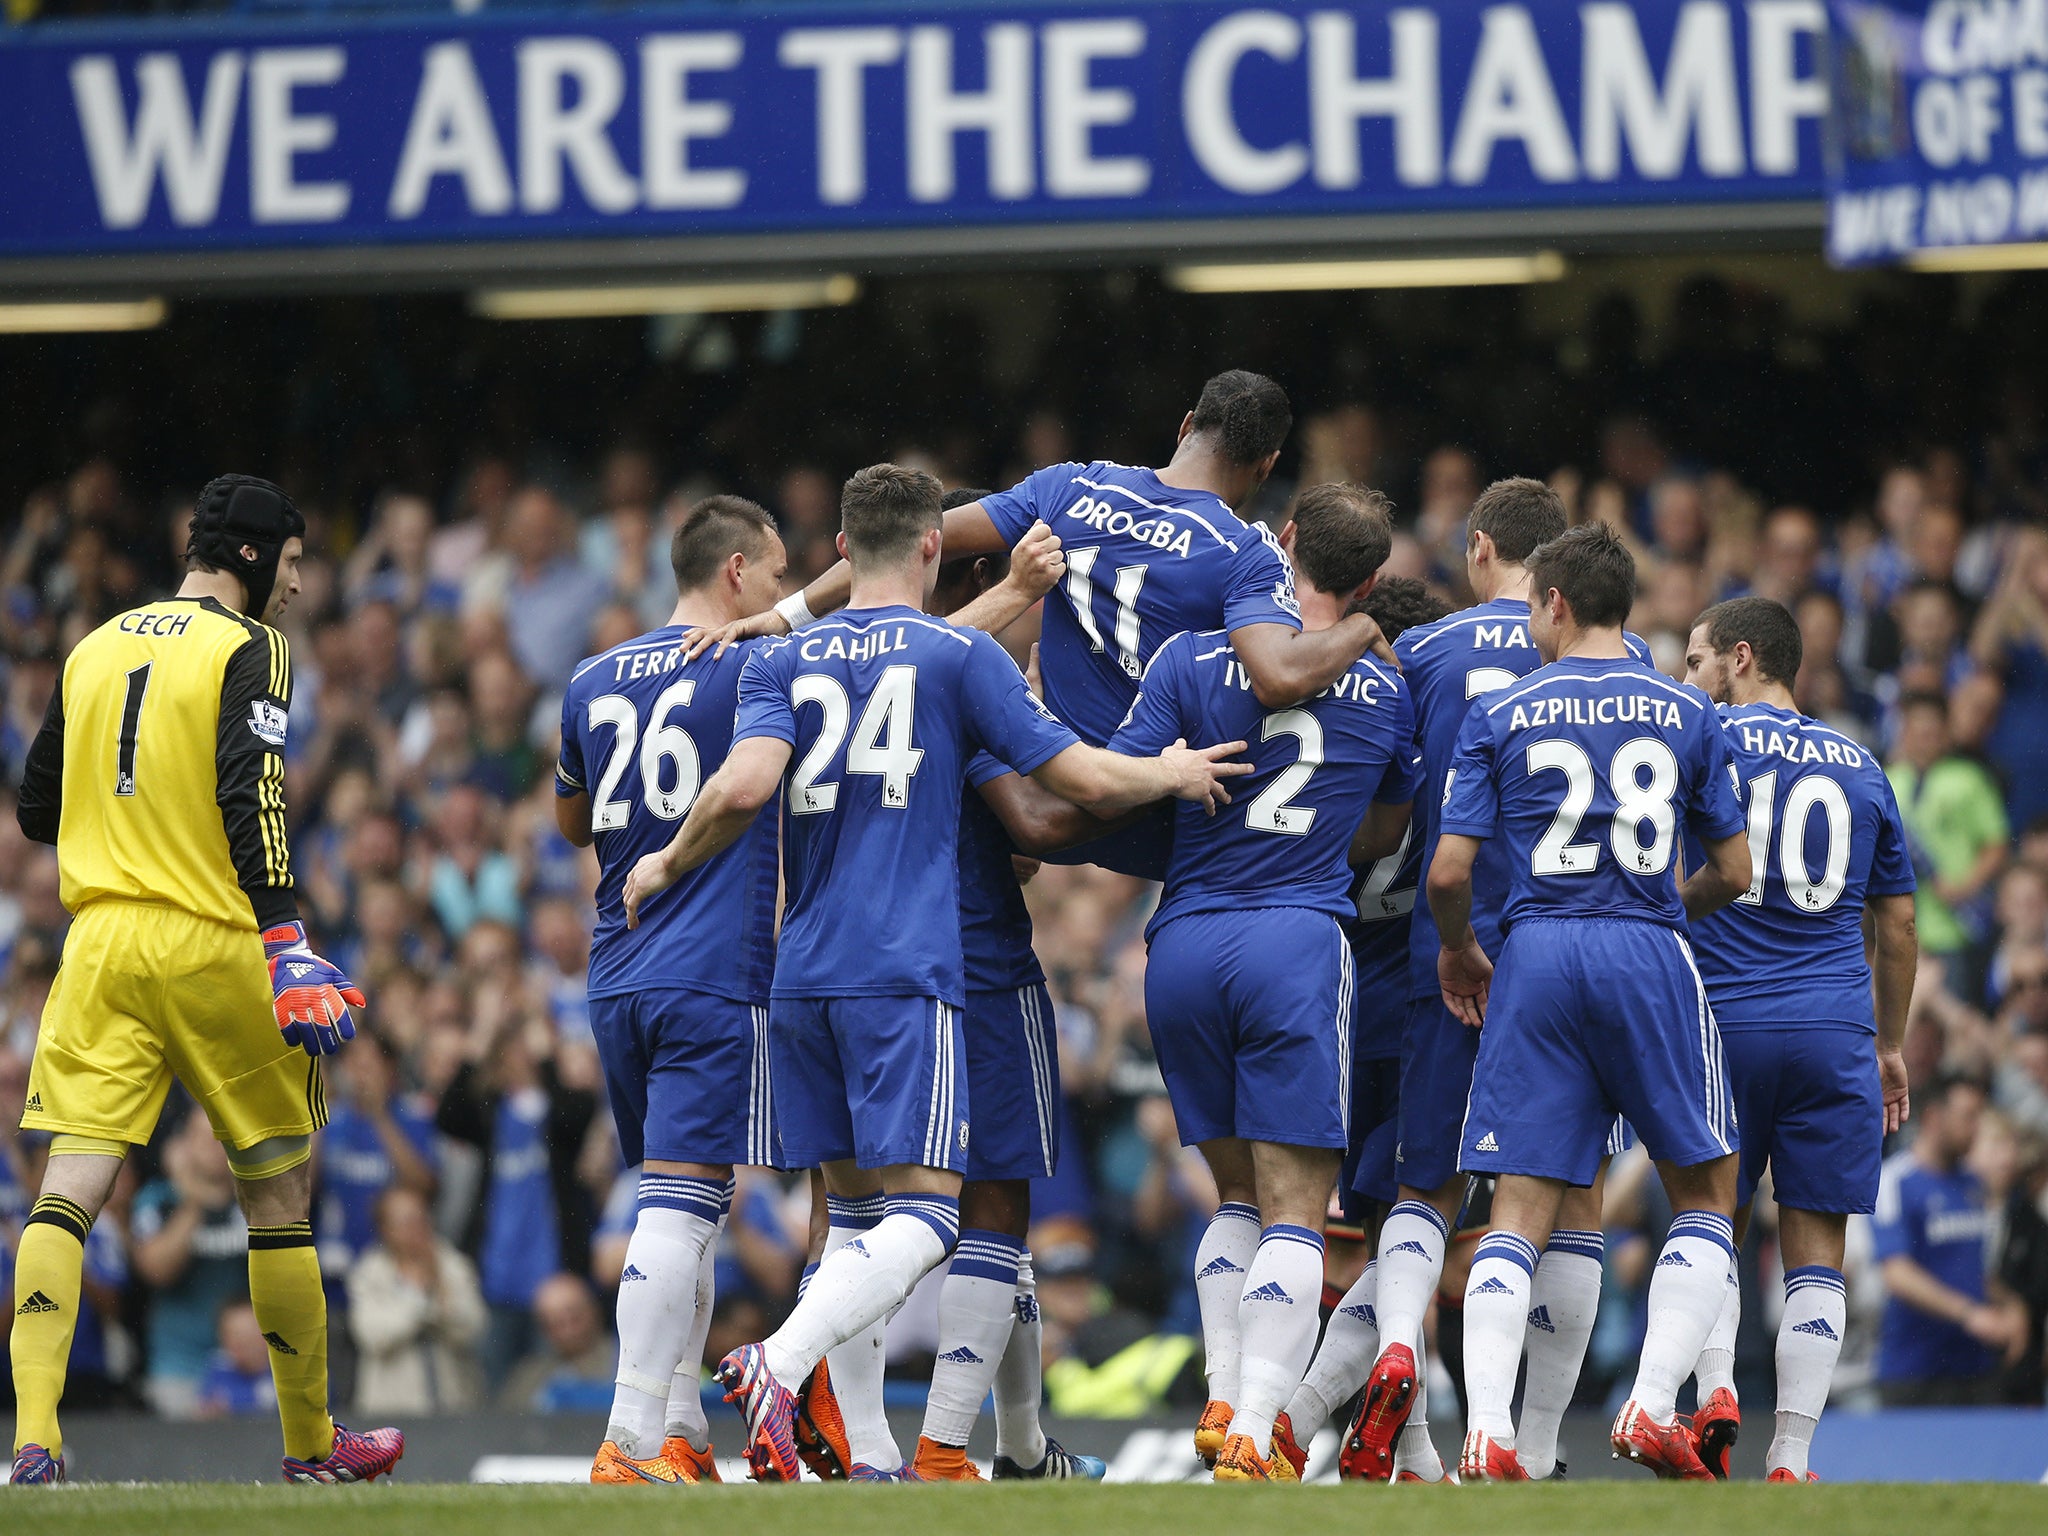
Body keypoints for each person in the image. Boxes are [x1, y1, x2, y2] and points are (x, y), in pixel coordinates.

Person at [621, 462, 1248, 1481]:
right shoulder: (960, 659)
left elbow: (740, 788)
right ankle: (786, 1368)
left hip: (801, 970)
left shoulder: (783, 660)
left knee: (855, 1219)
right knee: (937, 1214)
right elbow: (1064, 796)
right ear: (933, 546)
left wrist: (664, 857)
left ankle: (876, 1456)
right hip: (918, 970)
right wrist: (1169, 769)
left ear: (837, 550)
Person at [10, 475, 400, 1485]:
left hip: (98, 945)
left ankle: (35, 1437)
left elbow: (36, 807)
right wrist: (285, 938)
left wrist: (126, 817)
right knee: (277, 1198)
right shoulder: (251, 646)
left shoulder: (92, 644)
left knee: (68, 1190)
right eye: (299, 564)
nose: (302, 588)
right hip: (216, 937)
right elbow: (253, 793)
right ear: (258, 558)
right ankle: (313, 1447)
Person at [688, 371, 1390, 878]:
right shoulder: (1244, 551)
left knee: (972, 769)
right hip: (1152, 814)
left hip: (1041, 783)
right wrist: (1364, 628)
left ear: (1184, 427)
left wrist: (783, 616)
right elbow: (1276, 676)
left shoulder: (1073, 487)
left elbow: (902, 537)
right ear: (1267, 465)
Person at [1428, 521, 1752, 1481]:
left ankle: (1487, 1435)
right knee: (1707, 1190)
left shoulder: (1507, 711)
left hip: (1535, 954)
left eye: (1533, 605)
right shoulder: (1687, 711)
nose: (1528, 621)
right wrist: (1660, 909)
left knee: (1519, 1206)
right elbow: (1735, 868)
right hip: (1647, 948)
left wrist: (1460, 952)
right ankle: (1651, 1407)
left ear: (1557, 602)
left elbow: (1451, 871)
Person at [1347, 480, 1652, 1484]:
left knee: (1421, 1184)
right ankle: (1534, 1441)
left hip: (1449, 949)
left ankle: (1398, 1355)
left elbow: (1384, 808)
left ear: (1480, 548)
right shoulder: (1632, 663)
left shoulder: (1419, 651)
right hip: (1582, 946)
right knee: (1568, 1200)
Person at [1109, 484, 1415, 1480]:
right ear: (1369, 581)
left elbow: (1116, 780)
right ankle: (1255, 1426)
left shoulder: (1186, 658)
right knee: (1297, 1207)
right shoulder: (1388, 688)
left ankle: (1219, 1396)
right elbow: (1382, 831)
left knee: (1232, 1195)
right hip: (1292, 938)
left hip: (1185, 939)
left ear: (1282, 544)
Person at [555, 495, 790, 1485]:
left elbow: (571, 823)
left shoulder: (590, 674)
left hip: (614, 973)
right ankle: (631, 1438)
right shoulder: (753, 660)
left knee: (679, 1200)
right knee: (682, 1210)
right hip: (707, 967)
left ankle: (684, 1432)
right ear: (734, 571)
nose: (781, 596)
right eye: (775, 574)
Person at [1681, 596, 1919, 1481]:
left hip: (1722, 1026)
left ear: (1743, 659)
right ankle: (1790, 1458)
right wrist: (1888, 1044)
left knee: (1706, 1228)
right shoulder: (1861, 763)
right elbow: (1896, 927)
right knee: (1816, 1251)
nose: (1690, 679)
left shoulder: (1703, 746)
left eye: (1700, 661)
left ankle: (1712, 1409)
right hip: (1833, 1033)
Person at [908, 493, 1107, 1483]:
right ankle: (938, 1447)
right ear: (992, 584)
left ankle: (1019, 1451)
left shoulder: (871, 680)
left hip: (864, 965)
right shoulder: (967, 677)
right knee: (989, 1207)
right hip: (977, 965)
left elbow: (1001, 848)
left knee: (870, 1210)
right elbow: (1032, 828)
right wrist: (1141, 798)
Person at [1273, 576, 1450, 1477]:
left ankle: (1408, 1454)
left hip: (1337, 1010)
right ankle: (1296, 1417)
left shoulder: (1350, 734)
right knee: (1420, 1232)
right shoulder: (1454, 752)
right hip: (1427, 1017)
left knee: (1382, 1243)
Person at [1873, 1074, 2026, 1403]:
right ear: (1933, 1117)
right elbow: (1896, 1274)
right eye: (1967, 1116)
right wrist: (1970, 1315)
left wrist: (2010, 1305)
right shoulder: (1896, 1181)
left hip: (1975, 1367)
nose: (1975, 1128)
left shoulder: (1973, 1184)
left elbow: (1972, 1269)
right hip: (1913, 1370)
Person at [347, 1185, 487, 1416]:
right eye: (405, 1221)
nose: (416, 1228)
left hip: (454, 1406)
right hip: (390, 1412)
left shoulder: (452, 1264)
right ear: (386, 1229)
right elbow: (373, 1335)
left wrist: (439, 1294)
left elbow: (473, 1327)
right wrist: (421, 1299)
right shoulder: (369, 1272)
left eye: (421, 1218)